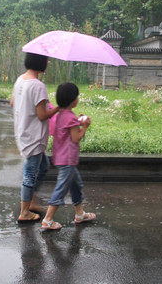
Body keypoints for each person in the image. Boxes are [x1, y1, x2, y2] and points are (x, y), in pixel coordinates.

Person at [41, 82, 97, 230]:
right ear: (73, 100)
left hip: (60, 157)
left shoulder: (60, 116)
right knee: (61, 188)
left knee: (75, 185)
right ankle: (48, 219)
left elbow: (66, 132)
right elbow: (76, 138)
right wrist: (84, 127)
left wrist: (77, 123)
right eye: (77, 96)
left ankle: (80, 214)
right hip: (68, 160)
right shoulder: (71, 118)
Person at [11, 53, 59, 223]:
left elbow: (12, 102)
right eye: (46, 60)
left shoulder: (20, 80)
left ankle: (31, 201)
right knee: (30, 174)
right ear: (40, 62)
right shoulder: (38, 86)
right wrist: (58, 107)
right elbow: (42, 115)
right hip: (34, 137)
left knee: (43, 166)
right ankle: (25, 212)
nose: (48, 62)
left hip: (23, 132)